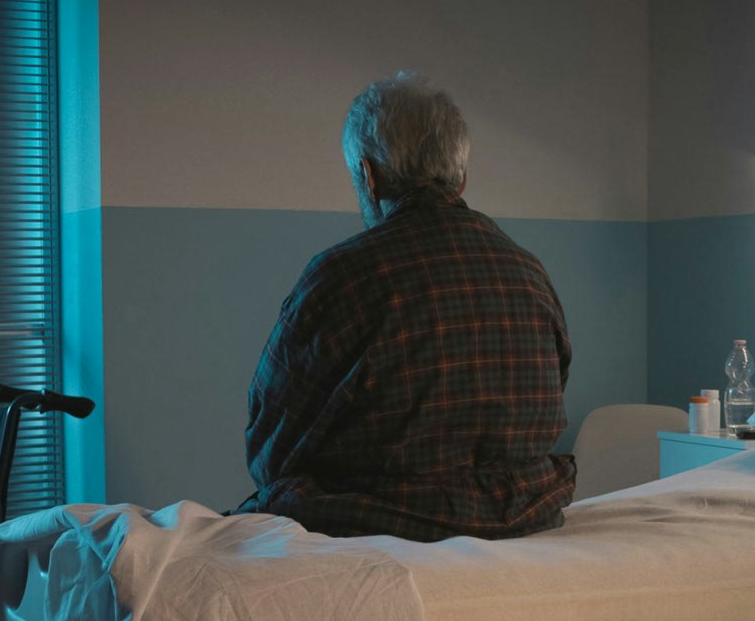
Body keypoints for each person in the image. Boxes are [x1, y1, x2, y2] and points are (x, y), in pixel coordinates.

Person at [235, 72, 576, 541]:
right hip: (522, 513)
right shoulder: (529, 271)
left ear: (368, 176)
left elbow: (271, 452)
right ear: (461, 177)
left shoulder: (343, 276)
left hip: (388, 522)